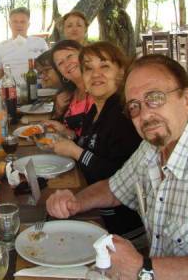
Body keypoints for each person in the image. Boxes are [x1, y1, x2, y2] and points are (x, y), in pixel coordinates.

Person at [47, 54, 188, 280]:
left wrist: (143, 267)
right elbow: (115, 188)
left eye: (155, 98)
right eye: (135, 106)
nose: (145, 114)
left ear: (187, 100)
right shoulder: (154, 145)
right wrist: (75, 202)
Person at [48, 42, 144, 241]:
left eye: (105, 66)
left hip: (120, 229)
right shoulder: (96, 110)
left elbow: (118, 178)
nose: (95, 74)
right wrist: (71, 137)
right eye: (89, 68)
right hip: (93, 207)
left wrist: (76, 152)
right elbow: (95, 146)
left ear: (121, 72)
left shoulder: (124, 115)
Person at [45, 40, 93, 136]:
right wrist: (59, 112)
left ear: (83, 55)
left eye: (70, 56)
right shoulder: (68, 94)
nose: (67, 64)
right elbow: (70, 133)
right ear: (60, 73)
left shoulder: (100, 90)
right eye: (60, 63)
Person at [0, 7, 48, 81]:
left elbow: (49, 68)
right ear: (9, 24)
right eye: (15, 22)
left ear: (28, 24)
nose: (19, 25)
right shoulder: (1, 47)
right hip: (12, 89)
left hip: (37, 87)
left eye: (23, 22)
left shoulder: (40, 42)